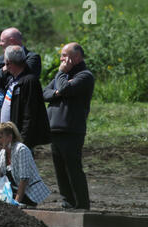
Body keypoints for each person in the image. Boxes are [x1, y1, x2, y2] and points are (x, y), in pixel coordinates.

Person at [43, 42, 94, 210]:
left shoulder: (84, 76)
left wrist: (61, 75)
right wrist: (58, 91)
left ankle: (82, 205)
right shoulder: (63, 75)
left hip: (72, 130)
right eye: (61, 55)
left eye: (65, 55)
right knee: (60, 171)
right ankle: (67, 203)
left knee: (73, 169)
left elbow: (64, 89)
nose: (61, 59)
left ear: (77, 57)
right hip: (55, 129)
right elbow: (45, 93)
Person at [0, 122, 50, 207]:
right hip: (11, 189)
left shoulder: (21, 149)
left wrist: (15, 203)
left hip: (27, 193)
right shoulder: (2, 152)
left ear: (9, 137)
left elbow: (24, 179)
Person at [0, 45, 50, 151]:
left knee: (21, 167)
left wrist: (23, 141)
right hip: (9, 136)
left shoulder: (29, 81)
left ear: (8, 63)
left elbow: (30, 114)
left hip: (19, 139)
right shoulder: (12, 79)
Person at [0, 27, 41, 92]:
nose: (0, 44)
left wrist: (3, 69)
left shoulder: (33, 58)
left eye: (2, 41)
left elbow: (26, 76)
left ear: (12, 41)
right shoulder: (0, 59)